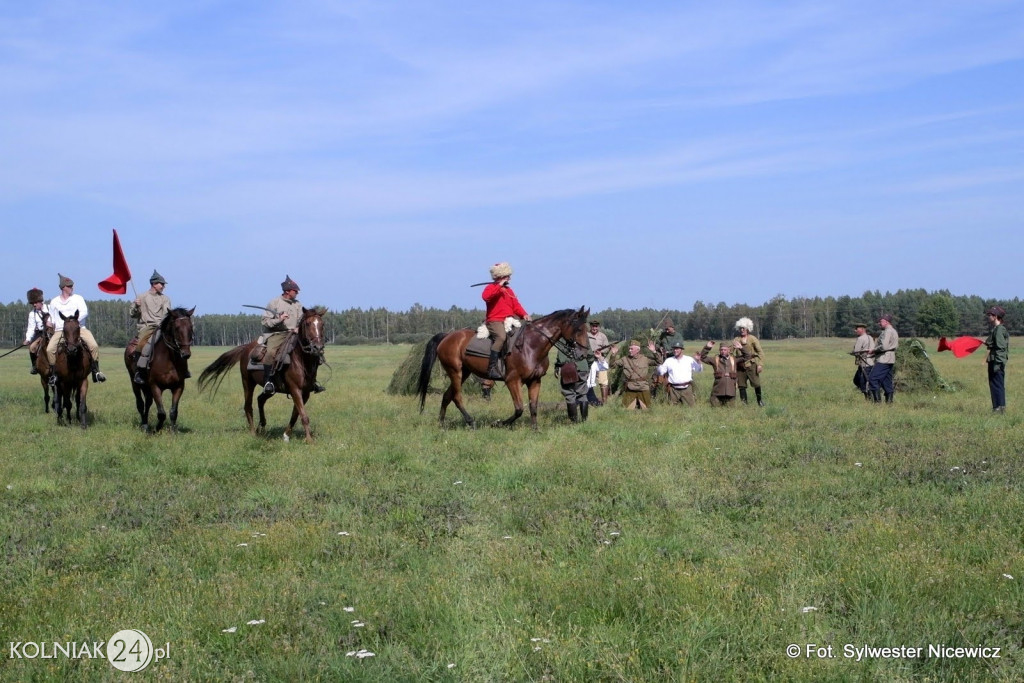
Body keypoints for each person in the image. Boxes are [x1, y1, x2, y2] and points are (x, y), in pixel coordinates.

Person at [259, 275, 324, 396]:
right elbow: (265, 321)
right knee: (271, 353)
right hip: (277, 334)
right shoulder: (274, 303)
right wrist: (279, 319)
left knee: (313, 351)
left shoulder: (297, 304)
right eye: (295, 291)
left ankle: (312, 382)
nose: (297, 293)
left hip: (294, 334)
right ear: (287, 291)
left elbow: (302, 320)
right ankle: (269, 382)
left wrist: (299, 327)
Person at [45, 274, 106, 384]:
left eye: (72, 286)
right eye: (69, 286)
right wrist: (49, 322)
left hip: (79, 329)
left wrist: (73, 322)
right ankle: (54, 374)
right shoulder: (54, 301)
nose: (72, 288)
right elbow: (52, 317)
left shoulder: (78, 298)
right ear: (63, 287)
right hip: (61, 330)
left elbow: (84, 312)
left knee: (93, 345)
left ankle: (96, 371)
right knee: (50, 349)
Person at [130, 270, 182, 384]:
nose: (163, 287)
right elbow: (133, 315)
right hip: (146, 327)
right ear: (154, 284)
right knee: (141, 345)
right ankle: (139, 371)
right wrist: (135, 306)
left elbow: (166, 314)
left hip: (161, 326)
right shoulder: (141, 297)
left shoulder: (165, 299)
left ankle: (182, 369)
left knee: (178, 343)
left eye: (163, 284)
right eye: (162, 284)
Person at [481, 262, 531, 379]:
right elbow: (486, 297)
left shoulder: (509, 291)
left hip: (509, 320)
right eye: (507, 276)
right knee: (501, 337)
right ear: (500, 276)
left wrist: (524, 314)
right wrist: (498, 286)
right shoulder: (491, 288)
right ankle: (491, 368)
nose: (510, 278)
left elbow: (516, 305)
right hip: (494, 321)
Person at [610, 340, 657, 409]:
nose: (629, 350)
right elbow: (612, 365)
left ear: (638, 350)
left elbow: (659, 362)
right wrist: (613, 354)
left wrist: (654, 352)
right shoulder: (625, 359)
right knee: (625, 409)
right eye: (629, 348)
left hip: (643, 387)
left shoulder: (645, 359)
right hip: (630, 388)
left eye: (631, 349)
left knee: (648, 409)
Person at [656, 341, 703, 406]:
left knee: (691, 408)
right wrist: (659, 365)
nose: (675, 350)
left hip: (687, 389)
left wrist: (698, 361)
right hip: (673, 389)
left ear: (681, 349)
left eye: (677, 349)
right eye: (674, 349)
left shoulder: (689, 359)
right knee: (672, 409)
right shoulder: (669, 360)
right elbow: (661, 371)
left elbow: (698, 370)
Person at [555, 342, 591, 423]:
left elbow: (560, 357)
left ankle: (574, 423)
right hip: (582, 367)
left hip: (568, 368)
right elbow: (590, 355)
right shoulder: (582, 335)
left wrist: (557, 366)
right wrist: (586, 367)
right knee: (582, 394)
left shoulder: (563, 337)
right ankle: (584, 421)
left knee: (569, 394)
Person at [733, 317, 765, 406]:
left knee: (756, 383)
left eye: (744, 328)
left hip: (751, 364)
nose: (742, 330)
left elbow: (760, 352)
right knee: (741, 385)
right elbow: (731, 352)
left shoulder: (752, 339)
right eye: (740, 328)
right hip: (740, 365)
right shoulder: (736, 340)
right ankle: (744, 404)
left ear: (748, 329)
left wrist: (760, 364)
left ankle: (760, 401)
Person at [867, 314, 898, 403]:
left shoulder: (887, 331)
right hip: (890, 359)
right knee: (886, 381)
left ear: (886, 321)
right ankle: (889, 404)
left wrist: (873, 350)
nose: (878, 323)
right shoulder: (894, 331)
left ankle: (877, 403)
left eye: (880, 321)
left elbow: (884, 346)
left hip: (884, 358)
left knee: (873, 378)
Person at [984, 306, 1009, 413]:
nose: (988, 317)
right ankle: (1000, 407)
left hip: (996, 362)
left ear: (996, 317)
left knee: (996, 385)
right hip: (995, 361)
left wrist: (998, 364)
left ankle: (998, 408)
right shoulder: (996, 329)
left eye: (990, 315)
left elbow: (1001, 348)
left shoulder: (999, 330)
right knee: (997, 384)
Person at [700, 341, 738, 406]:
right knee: (715, 408)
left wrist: (741, 348)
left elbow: (747, 357)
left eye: (725, 350)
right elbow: (703, 357)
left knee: (730, 410)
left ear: (729, 350)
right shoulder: (716, 359)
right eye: (721, 350)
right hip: (718, 391)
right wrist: (707, 347)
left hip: (730, 392)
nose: (723, 351)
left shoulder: (733, 359)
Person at [23, 288, 51, 374]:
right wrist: (28, 339)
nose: (34, 305)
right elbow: (31, 328)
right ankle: (34, 366)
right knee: (32, 348)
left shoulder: (50, 308)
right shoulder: (32, 314)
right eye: (32, 303)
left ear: (40, 301)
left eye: (35, 302)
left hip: (52, 332)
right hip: (40, 334)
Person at [586, 319, 610, 405]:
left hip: (600, 361)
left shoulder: (603, 336)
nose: (594, 328)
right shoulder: (586, 335)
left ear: (598, 327)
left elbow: (607, 348)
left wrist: (600, 352)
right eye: (593, 326)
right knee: (587, 381)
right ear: (590, 326)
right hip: (588, 362)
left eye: (596, 326)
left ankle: (604, 402)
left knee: (603, 381)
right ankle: (588, 400)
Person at [851, 322, 875, 399]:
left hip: (863, 363)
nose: (855, 331)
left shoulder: (860, 339)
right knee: (864, 380)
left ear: (862, 329)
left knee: (861, 381)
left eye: (857, 329)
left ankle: (869, 398)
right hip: (870, 362)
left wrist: (853, 353)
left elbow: (856, 351)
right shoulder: (870, 337)